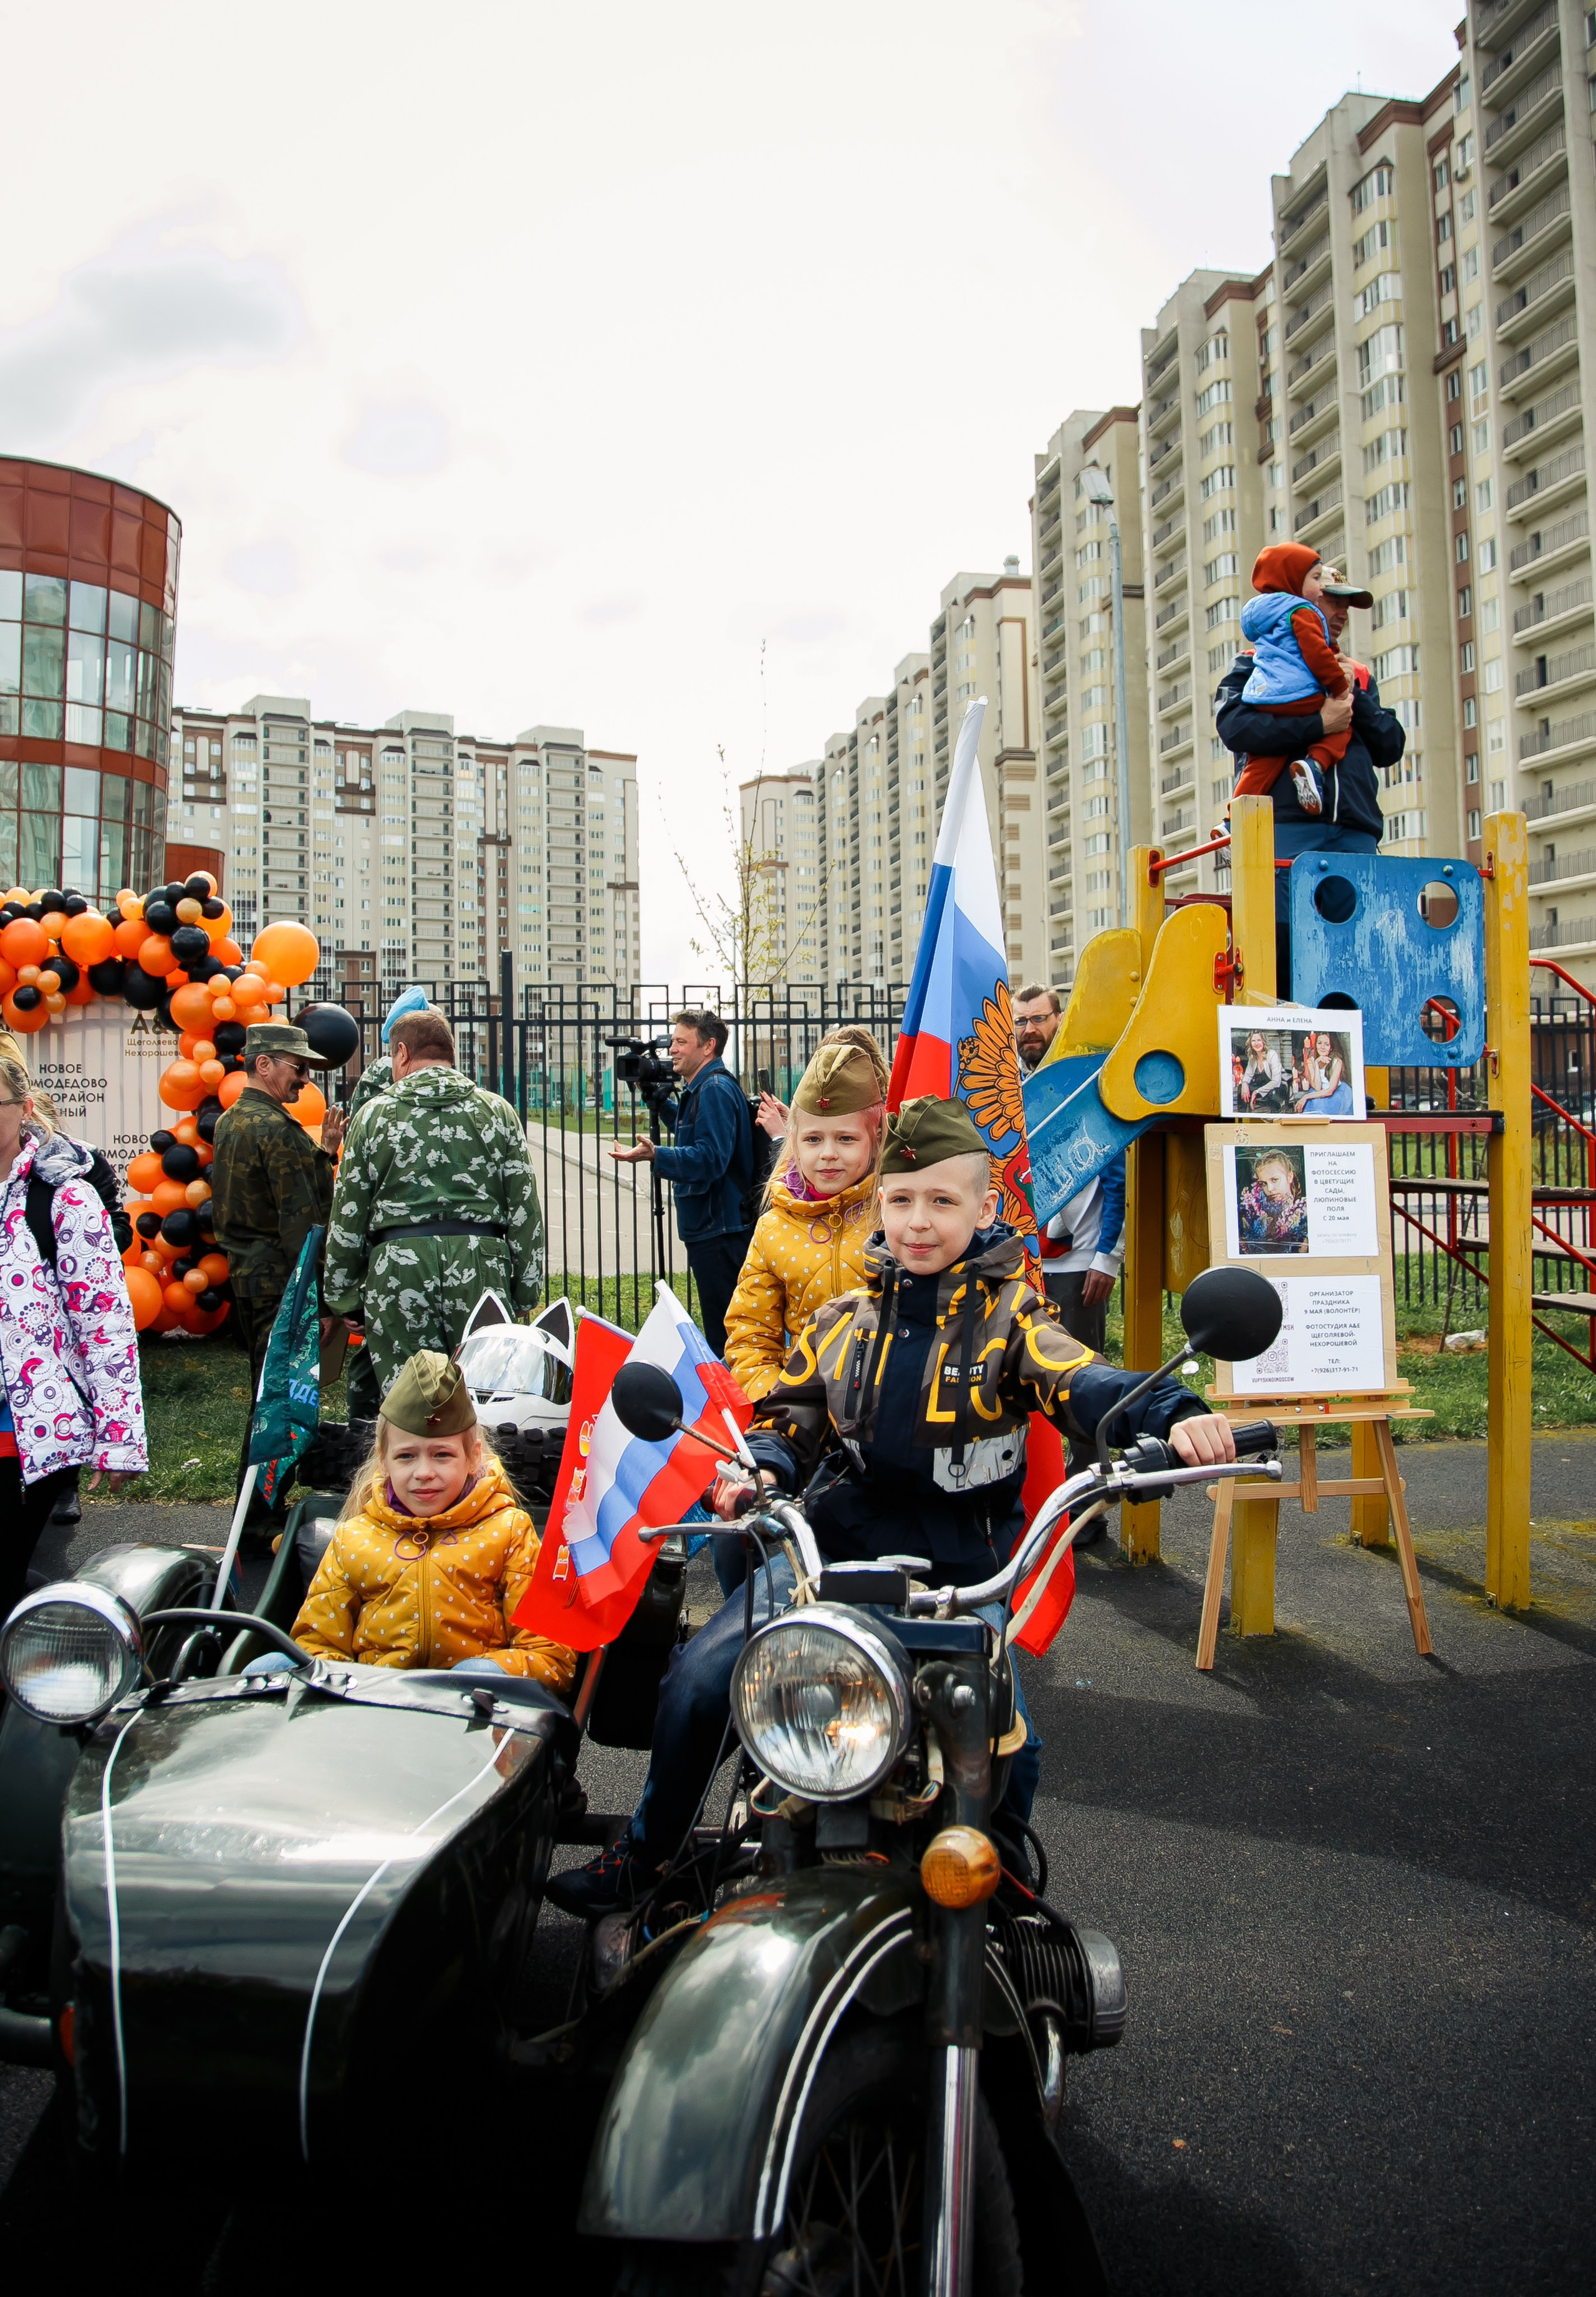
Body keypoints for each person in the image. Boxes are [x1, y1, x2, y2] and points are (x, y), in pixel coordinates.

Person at [549, 1094, 1236, 1917]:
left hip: (962, 1579)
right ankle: (649, 1856)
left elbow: (1082, 1380)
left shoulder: (1013, 1322)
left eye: (943, 1201)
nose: (918, 1221)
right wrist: (756, 1472)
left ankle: (1002, 1890)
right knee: (699, 1684)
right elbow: (787, 1421)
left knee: (1015, 1748)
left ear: (984, 1206)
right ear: (881, 1201)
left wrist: (1178, 1415)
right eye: (903, 1198)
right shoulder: (845, 1324)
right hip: (830, 1565)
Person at [248, 1351, 575, 1685]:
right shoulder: (353, 1538)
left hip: (470, 1715)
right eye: (406, 1456)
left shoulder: (508, 1532)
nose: (424, 1473)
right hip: (373, 1707)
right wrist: (352, 1684)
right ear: (384, 1459)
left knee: (478, 1675)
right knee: (269, 1666)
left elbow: (551, 1654)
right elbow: (317, 1646)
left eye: (442, 1455)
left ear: (474, 1456)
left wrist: (478, 1676)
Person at [323, 1008, 544, 1397]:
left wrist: (345, 1296)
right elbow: (524, 1209)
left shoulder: (373, 1115)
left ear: (403, 1053)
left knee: (407, 1399)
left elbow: (348, 1212)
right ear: (451, 1053)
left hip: (398, 1270)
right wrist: (525, 1290)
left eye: (393, 1058)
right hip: (481, 1268)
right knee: (481, 1395)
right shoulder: (498, 1112)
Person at [0, 1055, 147, 1624]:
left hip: (24, 1428)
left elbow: (104, 1322)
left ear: (25, 1110)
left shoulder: (63, 1197)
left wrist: (120, 1437)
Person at [1214, 562, 1401, 998]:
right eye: (1333, 600)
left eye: (1349, 605)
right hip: (1284, 831)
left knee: (1350, 955)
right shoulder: (1256, 664)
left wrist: (1352, 695)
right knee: (1280, 949)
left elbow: (1391, 744)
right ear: (1303, 599)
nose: (1342, 612)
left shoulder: (1356, 673)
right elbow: (1235, 728)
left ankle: (1346, 1052)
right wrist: (1319, 724)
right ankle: (1278, 1047)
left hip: (1353, 834)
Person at [211, 1021, 346, 1534]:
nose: (304, 1081)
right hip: (282, 1286)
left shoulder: (235, 1121)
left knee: (267, 1391)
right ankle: (257, 1518)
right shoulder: (274, 1129)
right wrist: (326, 1300)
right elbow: (303, 1222)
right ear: (263, 1064)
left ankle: (256, 1508)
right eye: (298, 1069)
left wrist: (324, 1151)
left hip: (251, 1278)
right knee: (280, 1399)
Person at [609, 1008, 752, 1359]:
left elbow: (710, 1158)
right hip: (711, 1226)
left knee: (728, 1337)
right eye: (672, 1041)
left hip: (720, 1230)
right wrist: (660, 1103)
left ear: (708, 1047)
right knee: (726, 1331)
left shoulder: (715, 1089)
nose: (672, 1049)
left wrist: (658, 1156)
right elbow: (696, 1136)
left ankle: (738, 1407)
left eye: (680, 1042)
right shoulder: (703, 1087)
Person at [1013, 981, 1124, 1357]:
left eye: (1040, 1019)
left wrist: (1107, 1258)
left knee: (1078, 1373)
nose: (1030, 1029)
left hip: (1079, 1265)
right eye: (1021, 1021)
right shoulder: (1009, 1091)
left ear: (1060, 1020)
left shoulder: (1085, 1085)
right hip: (1023, 1262)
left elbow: (1117, 1178)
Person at [1233, 546, 1348, 819]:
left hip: (1265, 697)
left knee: (1262, 763)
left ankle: (1233, 818)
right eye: (1317, 580)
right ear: (1294, 580)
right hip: (1301, 695)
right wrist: (1340, 686)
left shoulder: (1268, 617)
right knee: (1343, 716)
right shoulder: (1302, 612)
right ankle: (1315, 765)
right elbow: (1316, 653)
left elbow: (1389, 741)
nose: (1320, 589)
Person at [1238, 1149, 1309, 1253]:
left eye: (1274, 1180)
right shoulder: (1255, 1217)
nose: (1270, 1189)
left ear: (1289, 1177)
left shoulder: (1306, 1213)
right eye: (1264, 1184)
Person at [1294, 1030, 1353, 1116]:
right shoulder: (1311, 1060)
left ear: (1331, 1048)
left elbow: (1330, 1091)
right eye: (1320, 1043)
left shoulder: (1337, 1061)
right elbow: (1318, 1087)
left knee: (1321, 1106)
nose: (1323, 1047)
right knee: (1314, 1105)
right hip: (1320, 1092)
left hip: (1336, 1093)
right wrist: (1317, 1065)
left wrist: (1306, 1097)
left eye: (1327, 1044)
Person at [1240, 1031, 1287, 1113]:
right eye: (1254, 1041)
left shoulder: (1272, 1055)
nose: (1257, 1043)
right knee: (1241, 1088)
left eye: (1259, 1040)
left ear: (1264, 1042)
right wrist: (1244, 1084)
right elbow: (1248, 1075)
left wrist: (1257, 1092)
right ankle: (1244, 1116)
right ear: (1250, 1043)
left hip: (1278, 1087)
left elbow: (1276, 1082)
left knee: (1274, 1092)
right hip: (1263, 1085)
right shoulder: (1253, 1057)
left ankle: (1275, 1115)